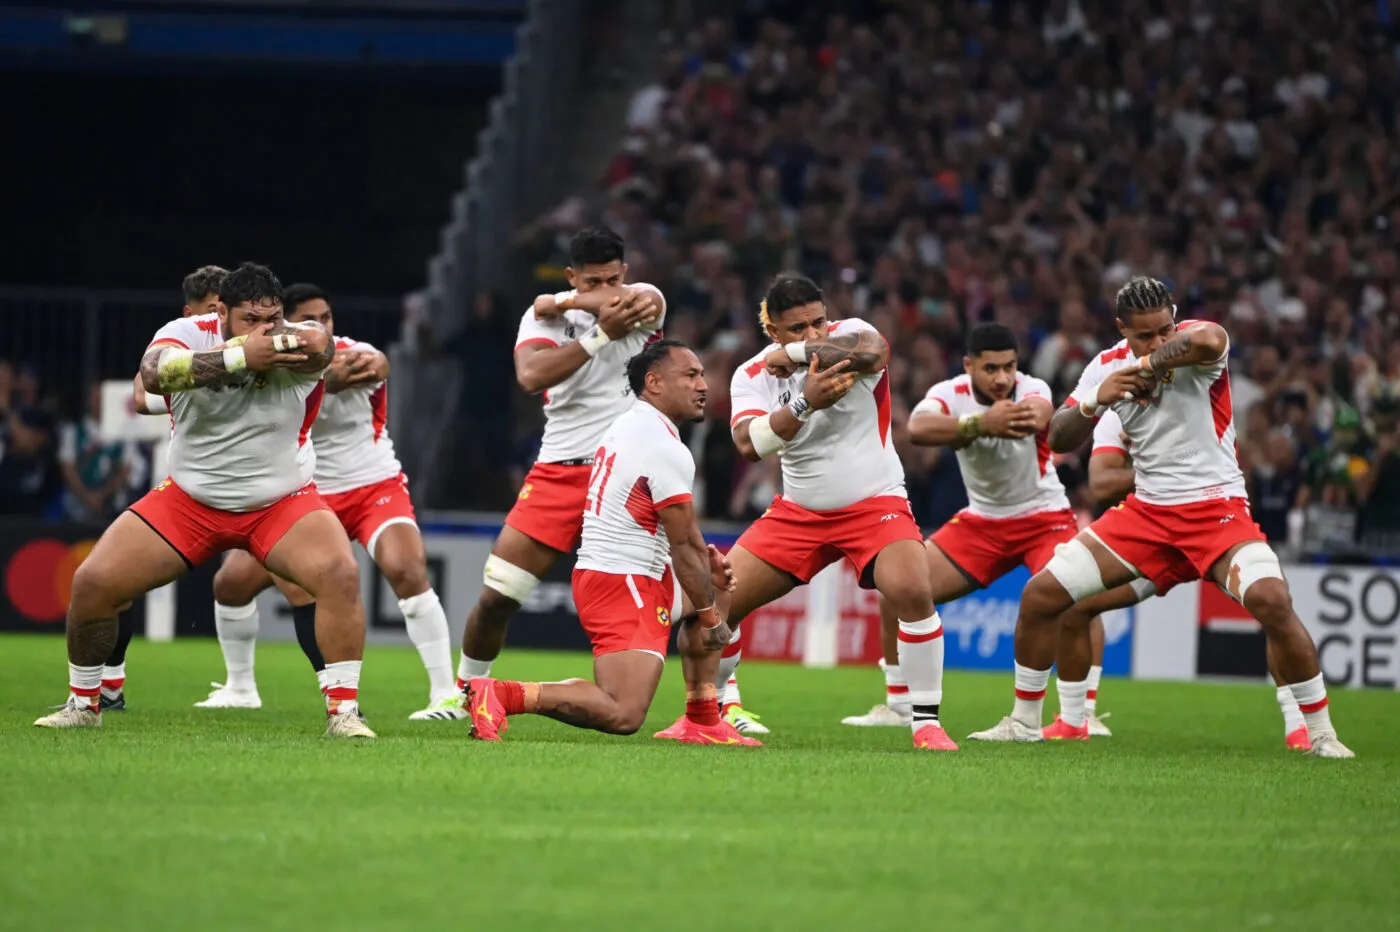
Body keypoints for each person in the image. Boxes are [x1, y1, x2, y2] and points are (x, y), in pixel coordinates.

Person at [969, 276, 1352, 757]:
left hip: (1216, 508)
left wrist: (1149, 362)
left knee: (1273, 601)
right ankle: (1025, 721)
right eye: (1144, 336)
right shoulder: (1104, 367)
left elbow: (1210, 339)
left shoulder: (1196, 345)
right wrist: (1095, 400)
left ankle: (1320, 733)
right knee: (1041, 594)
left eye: (1164, 328)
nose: (1158, 340)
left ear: (1174, 315)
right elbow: (1060, 439)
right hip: (1147, 515)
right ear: (1120, 328)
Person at [34, 262, 375, 739]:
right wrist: (239, 357)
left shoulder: (298, 339)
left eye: (272, 317)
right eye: (250, 320)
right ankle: (84, 703)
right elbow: (152, 377)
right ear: (220, 313)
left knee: (340, 573)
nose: (265, 329)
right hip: (189, 500)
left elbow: (320, 346)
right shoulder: (185, 331)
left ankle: (344, 713)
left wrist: (262, 344)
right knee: (93, 581)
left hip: (280, 500)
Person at [678, 273, 956, 751]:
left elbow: (873, 354)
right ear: (773, 331)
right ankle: (716, 712)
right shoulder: (752, 374)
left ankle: (926, 723)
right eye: (796, 330)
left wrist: (794, 356)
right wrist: (805, 402)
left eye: (818, 323)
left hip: (876, 502)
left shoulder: (851, 336)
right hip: (799, 513)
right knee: (714, 603)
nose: (813, 335)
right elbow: (748, 444)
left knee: (912, 588)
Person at [464, 340, 753, 744]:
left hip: (631, 574)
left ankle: (702, 719)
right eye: (690, 375)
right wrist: (708, 617)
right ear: (653, 383)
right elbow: (683, 542)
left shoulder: (630, 423)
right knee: (623, 712)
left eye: (702, 374)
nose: (702, 384)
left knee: (717, 581)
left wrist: (707, 592)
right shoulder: (663, 446)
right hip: (624, 583)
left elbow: (685, 542)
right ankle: (501, 694)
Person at [196, 284, 458, 719]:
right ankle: (240, 688)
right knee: (230, 585)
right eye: (309, 319)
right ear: (286, 325)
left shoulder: (356, 352)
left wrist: (340, 371)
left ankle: (446, 694)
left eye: (327, 317)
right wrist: (317, 376)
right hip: (308, 495)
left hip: (374, 485)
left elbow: (379, 364)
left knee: (407, 569)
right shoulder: (273, 369)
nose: (322, 326)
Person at [839, 323, 1109, 738]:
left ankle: (1079, 715)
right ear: (969, 367)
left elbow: (1042, 414)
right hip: (981, 523)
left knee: (1074, 600)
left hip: (1044, 518)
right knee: (898, 586)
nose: (1002, 378)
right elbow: (917, 429)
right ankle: (899, 705)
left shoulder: (1031, 387)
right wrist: (979, 424)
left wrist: (989, 421)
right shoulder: (949, 393)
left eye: (1009, 367)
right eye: (991, 369)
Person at [452, 227, 666, 692]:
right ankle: (466, 691)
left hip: (629, 472)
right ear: (572, 275)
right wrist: (593, 336)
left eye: (613, 279)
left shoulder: (645, 297)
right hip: (560, 472)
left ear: (625, 273)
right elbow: (530, 375)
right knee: (497, 598)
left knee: (689, 597)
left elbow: (629, 305)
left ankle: (714, 705)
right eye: (592, 283)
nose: (607, 291)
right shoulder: (540, 320)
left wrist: (565, 301)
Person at [1075, 408, 1311, 751]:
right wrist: (1149, 466)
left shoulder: (1202, 400)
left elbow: (1236, 470)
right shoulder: (1121, 412)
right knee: (1081, 603)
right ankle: (1083, 713)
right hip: (1159, 541)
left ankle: (1297, 724)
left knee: (1274, 613)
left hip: (1216, 532)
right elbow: (1101, 486)